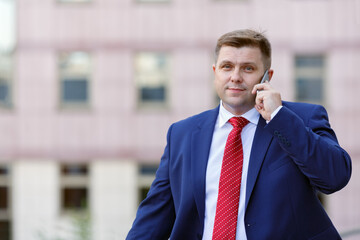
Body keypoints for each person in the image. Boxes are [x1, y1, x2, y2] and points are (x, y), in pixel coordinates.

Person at [126, 29, 352, 240]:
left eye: (248, 68)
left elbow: (334, 177)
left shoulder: (301, 118)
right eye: (227, 67)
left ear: (267, 76)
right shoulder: (182, 134)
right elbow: (154, 216)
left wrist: (279, 117)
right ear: (215, 72)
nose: (235, 77)